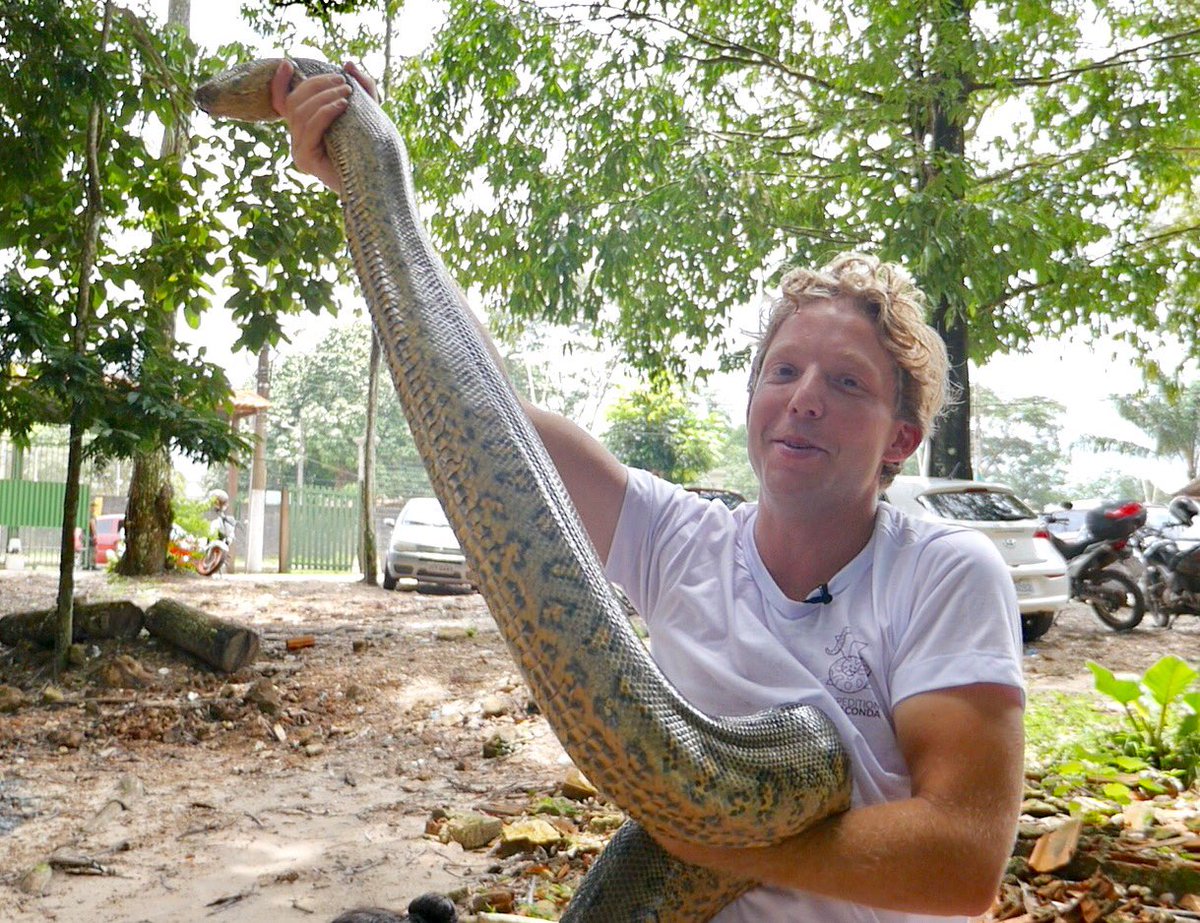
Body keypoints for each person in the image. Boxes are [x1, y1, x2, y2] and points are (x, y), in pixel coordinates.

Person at [270, 61, 1025, 923]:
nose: (804, 395)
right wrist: (369, 179)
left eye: (847, 383)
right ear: (754, 399)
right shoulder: (684, 541)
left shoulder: (945, 574)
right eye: (784, 370)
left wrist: (706, 832)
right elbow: (489, 409)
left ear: (902, 438)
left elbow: (964, 866)